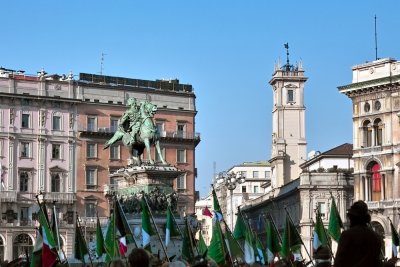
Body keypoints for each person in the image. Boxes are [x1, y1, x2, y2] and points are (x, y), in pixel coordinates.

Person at [334, 200, 397, 267]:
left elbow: (338, 262)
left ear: (352, 218)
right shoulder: (375, 237)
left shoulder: (347, 236)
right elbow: (376, 263)